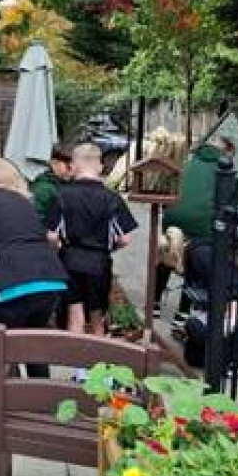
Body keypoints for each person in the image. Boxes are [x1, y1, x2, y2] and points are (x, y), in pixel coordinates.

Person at [0, 156, 67, 379]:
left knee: (4, 353)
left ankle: (9, 405)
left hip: (9, 285)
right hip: (48, 280)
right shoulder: (25, 201)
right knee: (35, 348)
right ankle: (38, 404)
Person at [47, 143, 138, 336]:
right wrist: (108, 247)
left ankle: (75, 364)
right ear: (100, 166)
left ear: (74, 165)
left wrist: (59, 247)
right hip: (99, 263)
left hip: (69, 261)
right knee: (98, 317)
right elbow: (126, 238)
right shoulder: (112, 198)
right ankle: (99, 361)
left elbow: (51, 236)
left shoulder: (62, 195)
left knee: (75, 315)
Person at [154, 136, 234, 324]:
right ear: (226, 152)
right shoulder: (223, 170)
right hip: (201, 224)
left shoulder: (189, 160)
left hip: (173, 216)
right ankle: (182, 315)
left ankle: (154, 304)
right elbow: (229, 203)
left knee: (168, 254)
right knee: (196, 259)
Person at [28, 144, 74, 224]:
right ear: (54, 163)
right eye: (68, 167)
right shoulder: (42, 189)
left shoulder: (68, 183)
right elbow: (34, 218)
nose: (72, 171)